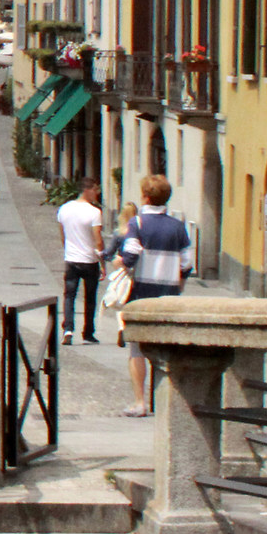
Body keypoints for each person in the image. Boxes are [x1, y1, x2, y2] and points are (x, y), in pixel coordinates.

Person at [117, 175, 193, 417]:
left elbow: (131, 254)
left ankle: (140, 402)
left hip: (141, 293)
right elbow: (187, 262)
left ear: (145, 197)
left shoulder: (137, 223)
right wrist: (179, 281)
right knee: (164, 348)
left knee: (137, 349)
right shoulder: (178, 226)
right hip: (169, 294)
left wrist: (119, 262)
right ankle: (164, 403)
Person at [56, 178, 105, 344]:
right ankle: (88, 332)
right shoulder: (94, 212)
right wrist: (102, 263)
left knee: (69, 295)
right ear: (87, 190)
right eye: (95, 189)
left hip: (71, 259)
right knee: (90, 297)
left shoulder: (64, 209)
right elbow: (98, 240)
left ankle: (68, 330)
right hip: (90, 260)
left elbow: (63, 235)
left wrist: (68, 251)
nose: (97, 193)